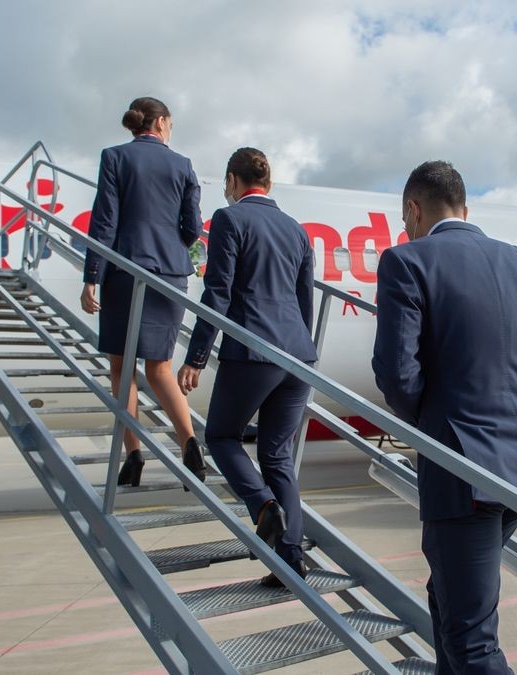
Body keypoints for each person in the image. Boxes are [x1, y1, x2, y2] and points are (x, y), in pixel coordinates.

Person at [372, 160, 517, 673]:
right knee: (449, 597)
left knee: (472, 637)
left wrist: (427, 422)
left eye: (405, 218)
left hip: (462, 469)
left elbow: (396, 374)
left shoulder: (407, 262)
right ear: (465, 209)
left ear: (413, 209)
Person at [177, 147, 317, 587]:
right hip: (298, 354)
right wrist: (302, 354)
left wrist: (196, 356)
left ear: (234, 182)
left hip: (253, 349)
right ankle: (291, 557)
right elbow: (304, 299)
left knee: (220, 435)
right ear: (268, 184)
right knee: (277, 455)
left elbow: (217, 293)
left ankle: (261, 507)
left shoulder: (229, 219)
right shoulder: (296, 230)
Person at [80, 96, 207, 488]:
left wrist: (92, 277)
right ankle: (189, 446)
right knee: (161, 367)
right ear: (162, 122)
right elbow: (193, 227)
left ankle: (133, 455)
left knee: (122, 369)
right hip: (170, 273)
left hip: (125, 271)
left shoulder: (115, 157)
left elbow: (105, 220)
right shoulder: (182, 165)